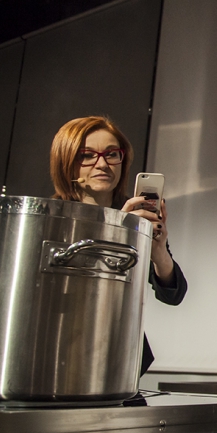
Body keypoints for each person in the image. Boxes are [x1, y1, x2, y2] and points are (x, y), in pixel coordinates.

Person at [50, 116, 187, 375]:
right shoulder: (52, 217)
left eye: (112, 154)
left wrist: (158, 253)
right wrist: (117, 234)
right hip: (60, 352)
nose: (102, 164)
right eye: (87, 155)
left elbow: (173, 295)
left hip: (118, 358)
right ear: (66, 162)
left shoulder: (134, 216)